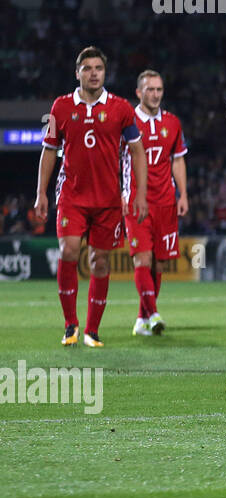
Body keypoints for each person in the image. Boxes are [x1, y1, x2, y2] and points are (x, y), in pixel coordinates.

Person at [34, 46, 148, 347]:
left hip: (109, 200)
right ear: (77, 73)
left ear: (104, 73)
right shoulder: (60, 107)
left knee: (100, 262)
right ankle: (70, 324)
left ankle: (92, 331)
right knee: (69, 251)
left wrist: (140, 194)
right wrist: (41, 193)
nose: (93, 73)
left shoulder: (121, 108)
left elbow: (137, 150)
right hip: (72, 195)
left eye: (98, 68)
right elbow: (49, 151)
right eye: (87, 68)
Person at [124, 69, 189, 337]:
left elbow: (178, 159)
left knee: (158, 264)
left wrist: (183, 194)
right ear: (139, 92)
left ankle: (142, 318)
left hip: (166, 202)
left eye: (159, 90)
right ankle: (153, 314)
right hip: (137, 202)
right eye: (150, 90)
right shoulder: (126, 122)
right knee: (143, 258)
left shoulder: (173, 122)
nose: (155, 95)